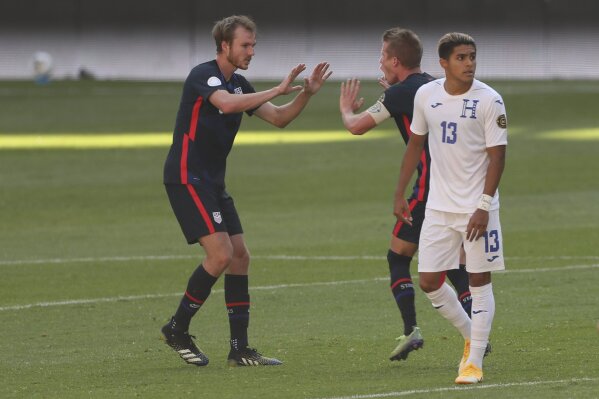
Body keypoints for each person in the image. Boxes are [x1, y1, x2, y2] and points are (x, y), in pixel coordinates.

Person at [161, 15, 332, 367]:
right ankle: (176, 328)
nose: (251, 51)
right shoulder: (203, 76)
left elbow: (280, 118)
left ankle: (239, 349)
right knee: (221, 255)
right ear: (225, 46)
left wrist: (306, 95)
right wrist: (277, 88)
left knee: (240, 256)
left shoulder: (240, 84)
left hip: (212, 182)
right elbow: (223, 103)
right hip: (186, 177)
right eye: (245, 45)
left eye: (253, 45)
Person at [339, 27, 473, 362]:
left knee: (398, 256)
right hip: (460, 186)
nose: (380, 61)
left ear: (395, 60)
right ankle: (478, 331)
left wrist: (345, 109)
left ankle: (413, 329)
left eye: (383, 55)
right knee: (455, 262)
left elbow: (356, 126)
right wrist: (394, 93)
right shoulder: (431, 84)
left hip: (428, 189)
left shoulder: (400, 94)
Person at [394, 32, 507, 384]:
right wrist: (399, 194)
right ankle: (473, 334)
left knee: (477, 279)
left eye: (472, 56)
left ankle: (473, 362)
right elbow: (415, 144)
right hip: (439, 209)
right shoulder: (426, 95)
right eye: (461, 57)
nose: (469, 63)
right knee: (429, 280)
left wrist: (484, 205)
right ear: (443, 63)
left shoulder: (490, 99)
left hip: (477, 208)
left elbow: (497, 157)